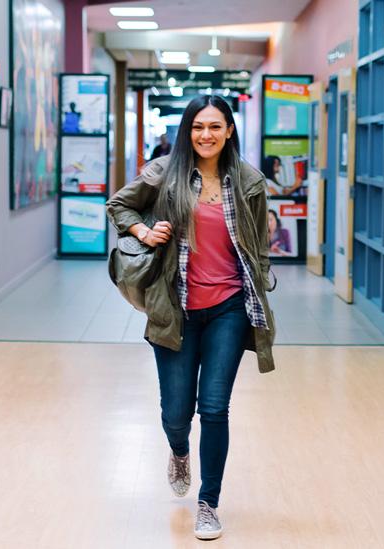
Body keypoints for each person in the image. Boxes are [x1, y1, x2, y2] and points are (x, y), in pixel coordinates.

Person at [105, 94, 276, 541]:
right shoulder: (164, 172)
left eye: (215, 127)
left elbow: (258, 246)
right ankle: (179, 450)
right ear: (188, 130)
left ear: (229, 130)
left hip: (229, 309)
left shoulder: (250, 182)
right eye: (198, 127)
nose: (206, 135)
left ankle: (209, 503)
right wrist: (145, 230)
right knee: (177, 412)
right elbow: (118, 206)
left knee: (215, 407)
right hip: (175, 307)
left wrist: (259, 282)